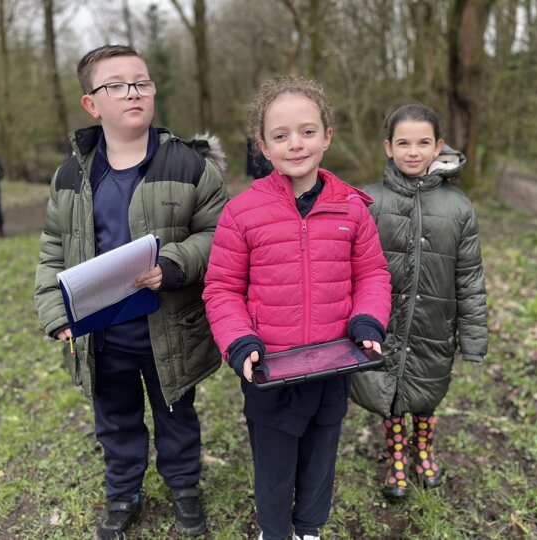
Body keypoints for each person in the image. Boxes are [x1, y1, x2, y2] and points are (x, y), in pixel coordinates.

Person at [33, 44, 228, 540]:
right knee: (115, 420)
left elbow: (220, 234)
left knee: (176, 414)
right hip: (102, 335)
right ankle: (122, 492)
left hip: (169, 329)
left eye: (141, 82)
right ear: (91, 104)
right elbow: (53, 249)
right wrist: (56, 313)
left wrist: (174, 263)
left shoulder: (190, 165)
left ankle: (184, 486)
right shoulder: (70, 176)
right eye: (116, 85)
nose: (133, 93)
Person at [202, 76, 391, 540]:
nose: (296, 144)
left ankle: (309, 529)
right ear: (263, 146)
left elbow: (373, 274)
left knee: (320, 458)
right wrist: (239, 340)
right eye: (281, 135)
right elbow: (222, 287)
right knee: (274, 466)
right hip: (271, 370)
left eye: (308, 131)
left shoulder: (352, 209)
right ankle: (274, 531)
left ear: (327, 136)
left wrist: (368, 321)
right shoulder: (241, 213)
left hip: (332, 364)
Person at [350, 104, 488, 501]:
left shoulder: (458, 207)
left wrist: (473, 337)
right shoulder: (369, 201)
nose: (413, 151)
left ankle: (423, 448)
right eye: (404, 143)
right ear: (388, 147)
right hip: (385, 322)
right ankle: (396, 453)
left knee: (427, 390)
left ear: (438, 146)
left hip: (434, 323)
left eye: (423, 142)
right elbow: (351, 269)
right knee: (390, 391)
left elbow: (470, 277)